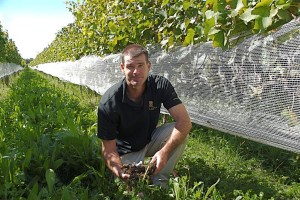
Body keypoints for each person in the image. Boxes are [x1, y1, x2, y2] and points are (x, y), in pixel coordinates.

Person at [97, 44, 192, 188]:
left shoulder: (160, 85)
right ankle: (137, 175)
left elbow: (184, 122)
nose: (136, 71)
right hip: (126, 152)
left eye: (140, 65)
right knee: (132, 190)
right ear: (122, 68)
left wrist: (164, 152)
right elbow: (108, 150)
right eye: (130, 66)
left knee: (180, 131)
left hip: (149, 140)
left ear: (149, 66)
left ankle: (160, 182)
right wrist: (119, 171)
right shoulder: (109, 102)